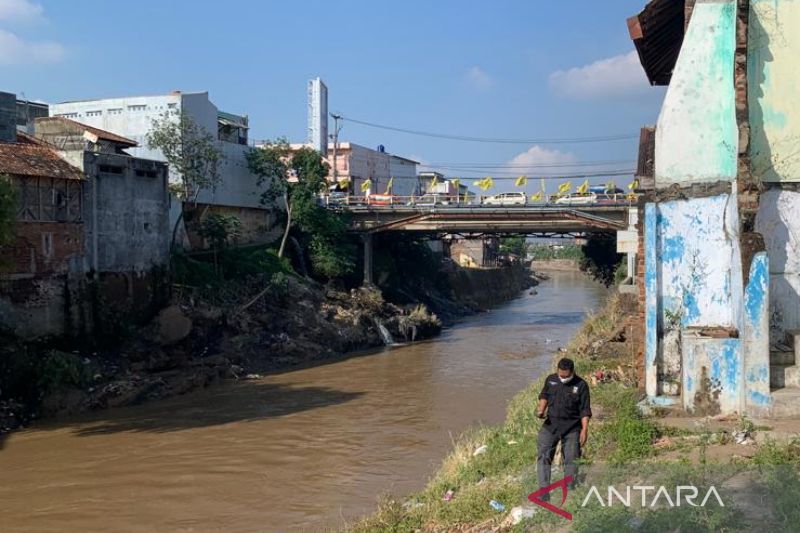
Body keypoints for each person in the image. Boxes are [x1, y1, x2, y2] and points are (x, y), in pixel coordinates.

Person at [536, 357, 591, 496]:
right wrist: (541, 410)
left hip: (572, 427)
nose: (562, 378)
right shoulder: (551, 379)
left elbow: (585, 409)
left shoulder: (581, 385)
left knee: (571, 458)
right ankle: (544, 490)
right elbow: (544, 395)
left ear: (572, 372)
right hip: (551, 425)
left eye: (565, 376)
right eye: (560, 375)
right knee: (544, 455)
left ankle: (570, 488)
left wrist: (584, 430)